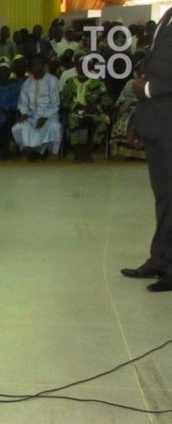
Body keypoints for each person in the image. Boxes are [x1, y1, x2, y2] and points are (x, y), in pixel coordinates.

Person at [122, 9, 172, 292]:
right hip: (156, 122)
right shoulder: (168, 16)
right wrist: (137, 119)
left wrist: (150, 89)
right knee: (163, 197)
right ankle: (160, 259)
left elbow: (152, 82)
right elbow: (151, 68)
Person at [60, 57, 112, 163]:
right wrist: (76, 106)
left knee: (105, 120)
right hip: (75, 112)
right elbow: (64, 100)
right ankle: (77, 152)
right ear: (77, 68)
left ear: (90, 68)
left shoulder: (97, 83)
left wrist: (96, 107)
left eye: (86, 66)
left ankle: (89, 150)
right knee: (73, 119)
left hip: (93, 112)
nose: (83, 68)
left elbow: (107, 100)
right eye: (80, 66)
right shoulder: (69, 82)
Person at [12, 57, 62, 161]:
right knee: (19, 126)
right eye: (34, 65)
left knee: (52, 126)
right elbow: (22, 103)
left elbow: (55, 104)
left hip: (49, 114)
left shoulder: (52, 80)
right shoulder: (27, 83)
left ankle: (44, 150)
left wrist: (44, 117)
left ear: (44, 66)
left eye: (39, 64)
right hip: (31, 114)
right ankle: (33, 150)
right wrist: (24, 113)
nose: (36, 67)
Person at [109, 75, 146, 160]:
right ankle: (129, 153)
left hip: (150, 110)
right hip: (130, 109)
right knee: (127, 120)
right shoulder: (130, 83)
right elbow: (122, 100)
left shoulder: (155, 82)